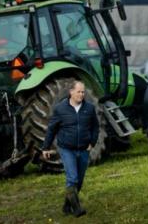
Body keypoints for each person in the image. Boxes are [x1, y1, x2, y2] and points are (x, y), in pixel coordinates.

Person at [42, 80, 99, 217]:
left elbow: (95, 127)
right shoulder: (60, 109)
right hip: (67, 149)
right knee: (72, 179)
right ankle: (77, 209)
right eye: (79, 92)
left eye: (83, 92)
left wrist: (92, 142)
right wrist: (45, 147)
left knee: (79, 181)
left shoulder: (89, 108)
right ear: (71, 92)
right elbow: (51, 129)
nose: (81, 94)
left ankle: (67, 207)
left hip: (84, 149)